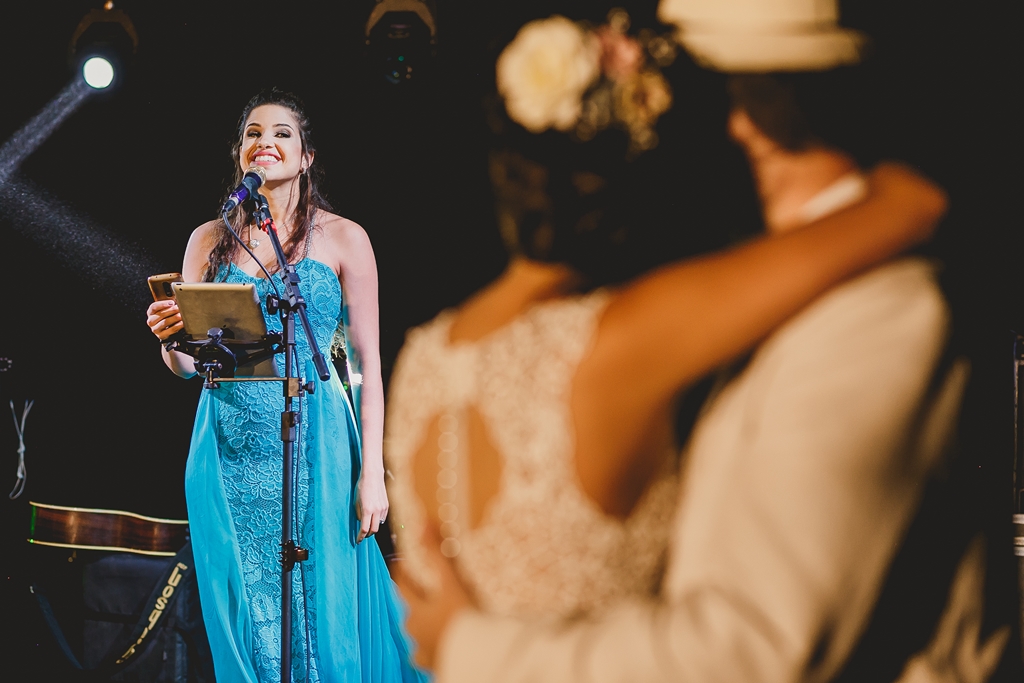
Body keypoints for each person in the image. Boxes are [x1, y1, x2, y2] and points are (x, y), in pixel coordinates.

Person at [392, 3, 1012, 682]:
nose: (729, 121)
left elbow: (751, 649)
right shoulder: (644, 333)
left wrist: (470, 647)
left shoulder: (425, 354)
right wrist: (904, 205)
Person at [145, 89, 424, 683]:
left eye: (280, 133)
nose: (263, 142)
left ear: (307, 155)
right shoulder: (207, 240)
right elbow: (191, 367)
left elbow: (370, 365)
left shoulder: (346, 238)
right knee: (246, 609)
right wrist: (172, 338)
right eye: (251, 133)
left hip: (316, 437)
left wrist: (372, 472)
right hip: (228, 445)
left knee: (324, 604)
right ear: (239, 152)